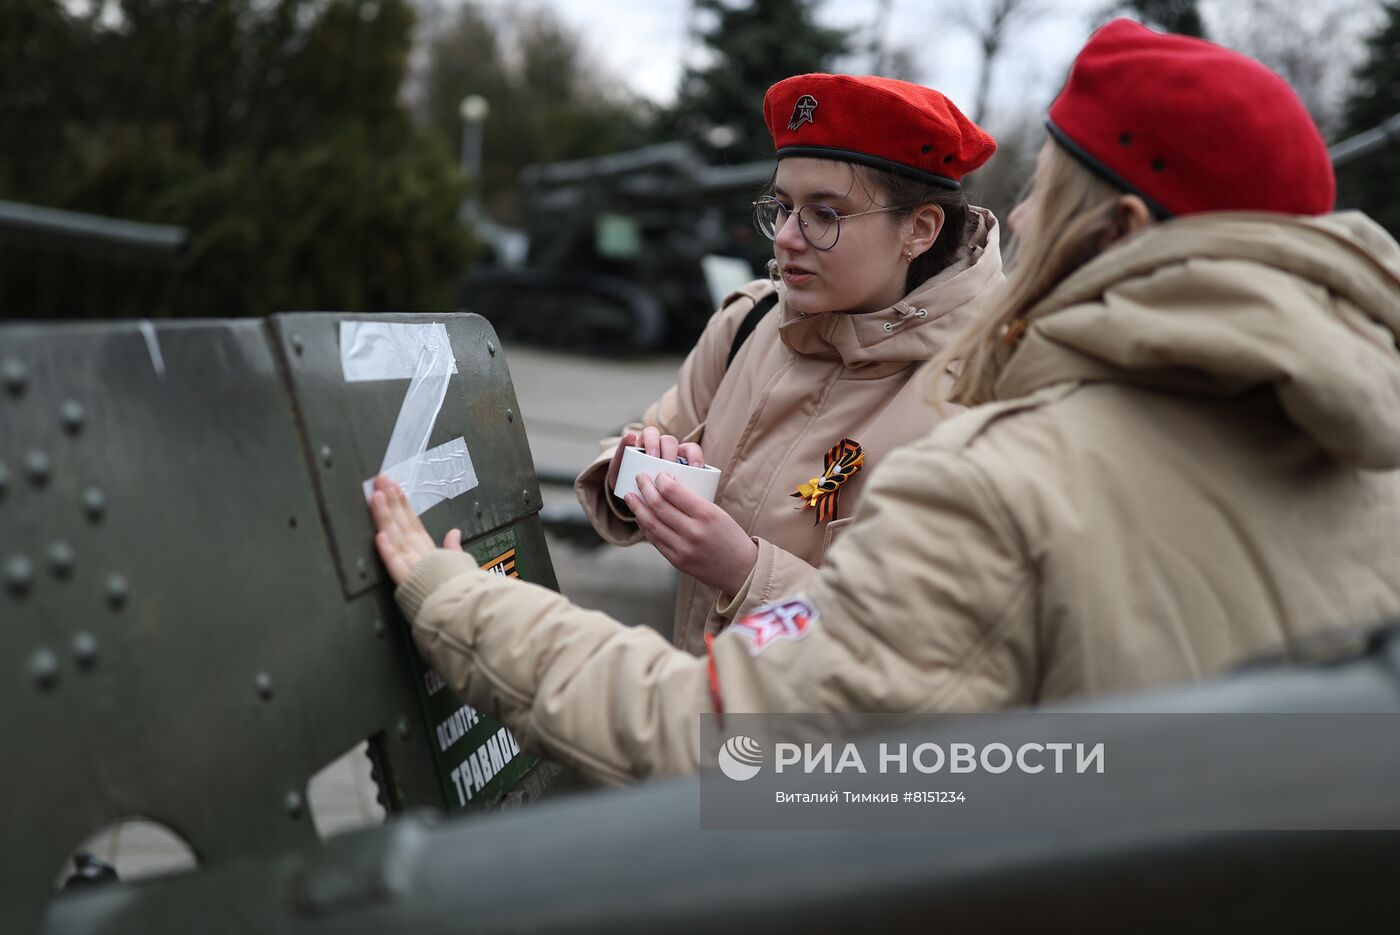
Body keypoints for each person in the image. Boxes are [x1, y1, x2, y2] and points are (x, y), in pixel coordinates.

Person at [371, 19, 1400, 785]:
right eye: (781, 207)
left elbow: (721, 738)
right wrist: (632, 478)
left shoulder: (997, 440)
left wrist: (453, 596)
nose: (1022, 218)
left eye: (1049, 190)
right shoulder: (1369, 467)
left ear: (1116, 228)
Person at [573, 73, 1002, 654]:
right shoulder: (746, 322)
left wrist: (748, 573)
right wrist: (636, 476)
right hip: (692, 720)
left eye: (825, 214)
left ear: (920, 230)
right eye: (782, 206)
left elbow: (934, 645)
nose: (787, 238)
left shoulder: (988, 394)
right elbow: (642, 436)